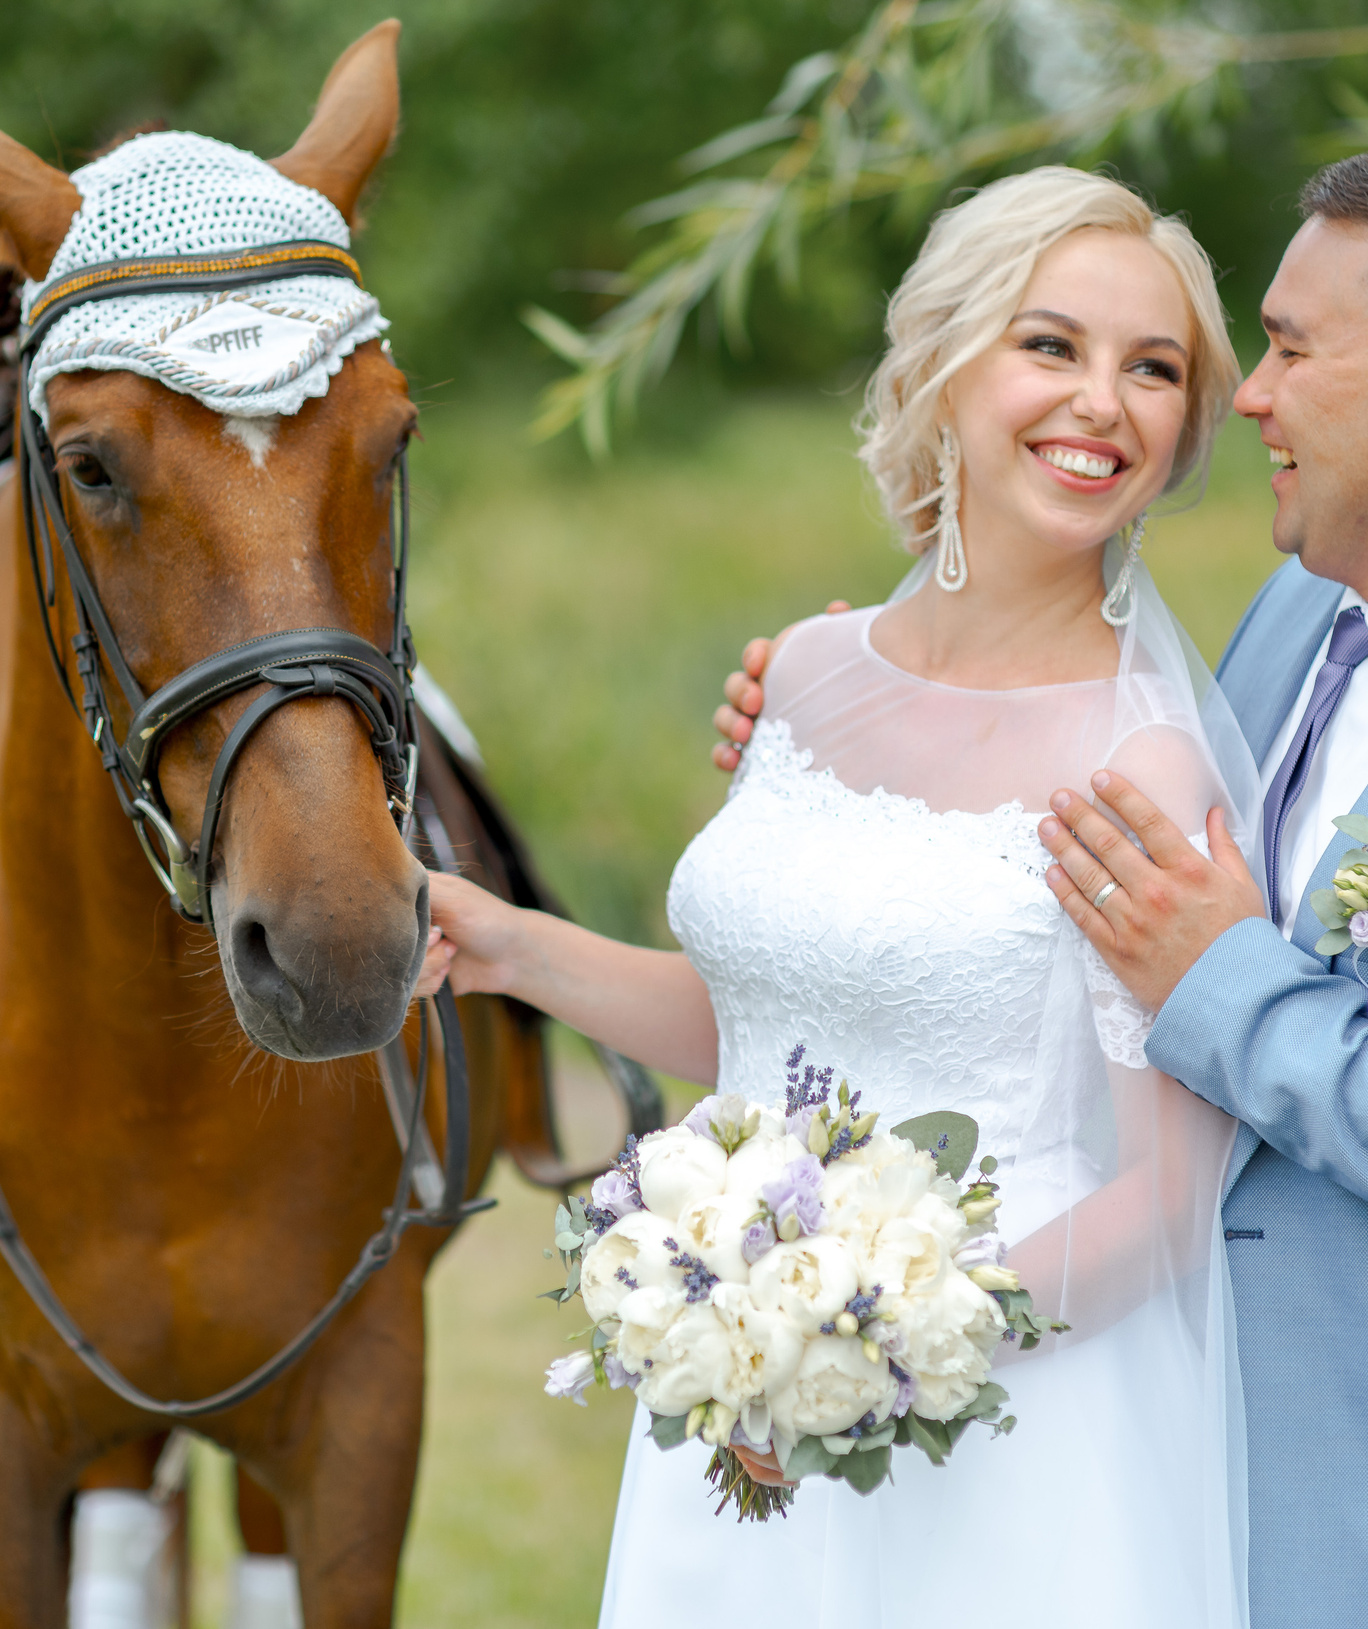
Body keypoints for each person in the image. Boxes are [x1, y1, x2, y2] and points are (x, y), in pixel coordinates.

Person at [715, 143, 1368, 1629]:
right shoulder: (1305, 611)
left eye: (1289, 348)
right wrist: (862, 730)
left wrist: (1226, 985)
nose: (1250, 395)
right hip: (1220, 1478)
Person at [419, 167, 1257, 1626]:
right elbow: (765, 1018)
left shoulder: (1141, 765)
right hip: (744, 1394)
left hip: (1007, 1431)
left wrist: (898, 1337)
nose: (1103, 402)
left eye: (1155, 368)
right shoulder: (806, 674)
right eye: (1049, 345)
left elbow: (1170, 1192)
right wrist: (515, 948)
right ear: (942, 365)